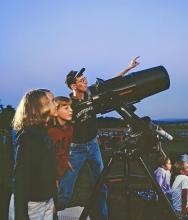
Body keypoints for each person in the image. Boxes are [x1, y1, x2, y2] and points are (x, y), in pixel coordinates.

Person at [61, 57, 140, 220]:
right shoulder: (67, 105)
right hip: (76, 149)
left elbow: (110, 84)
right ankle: (55, 214)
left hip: (93, 145)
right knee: (66, 188)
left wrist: (128, 68)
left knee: (101, 185)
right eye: (81, 80)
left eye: (85, 79)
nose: (85, 81)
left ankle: (103, 217)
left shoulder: (90, 93)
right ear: (73, 86)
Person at [9, 89, 57, 220]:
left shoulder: (44, 132)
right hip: (31, 206)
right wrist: (21, 215)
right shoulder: (28, 137)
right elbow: (20, 180)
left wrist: (52, 202)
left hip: (46, 202)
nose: (56, 103)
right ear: (39, 107)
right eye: (52, 101)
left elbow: (48, 172)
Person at [47, 96, 74, 193]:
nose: (71, 110)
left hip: (61, 170)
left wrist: (67, 161)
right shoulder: (50, 131)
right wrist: (54, 179)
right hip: (49, 173)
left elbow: (65, 148)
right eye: (66, 108)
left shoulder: (70, 128)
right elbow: (47, 158)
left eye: (71, 107)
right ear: (55, 110)